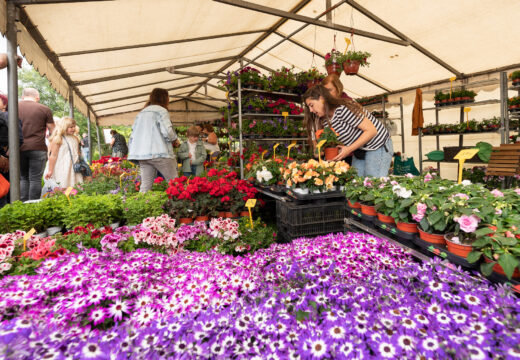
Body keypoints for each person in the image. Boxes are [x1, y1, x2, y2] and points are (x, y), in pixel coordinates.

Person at [303, 85, 393, 178]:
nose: (311, 110)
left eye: (311, 105)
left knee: (373, 183)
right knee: (356, 183)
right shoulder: (325, 120)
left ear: (322, 99)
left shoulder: (342, 110)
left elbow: (371, 131)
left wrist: (348, 149)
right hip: (360, 149)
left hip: (378, 145)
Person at [127, 88, 179, 193]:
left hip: (142, 155)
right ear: (165, 98)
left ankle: (141, 208)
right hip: (160, 153)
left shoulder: (141, 113)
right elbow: (167, 131)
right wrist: (175, 139)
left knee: (145, 186)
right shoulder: (161, 111)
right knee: (174, 183)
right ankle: (180, 208)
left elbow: (132, 136)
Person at [18, 87, 54, 201]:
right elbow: (53, 130)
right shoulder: (45, 109)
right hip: (38, 147)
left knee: (23, 178)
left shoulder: (13, 107)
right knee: (35, 179)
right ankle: (33, 205)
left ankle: (22, 204)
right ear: (37, 98)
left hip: (18, 147)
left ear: (23, 96)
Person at [44, 117, 83, 189]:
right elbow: (53, 155)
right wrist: (50, 170)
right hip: (62, 166)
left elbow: (78, 152)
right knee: (63, 183)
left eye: (74, 127)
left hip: (73, 166)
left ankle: (74, 195)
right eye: (71, 127)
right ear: (63, 127)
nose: (73, 129)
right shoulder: (58, 139)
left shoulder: (75, 138)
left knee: (75, 183)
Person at [0, 95, 23, 207]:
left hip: (6, 155)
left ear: (4, 104)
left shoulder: (8, 115)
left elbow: (18, 138)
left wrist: (9, 156)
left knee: (6, 188)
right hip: (4, 155)